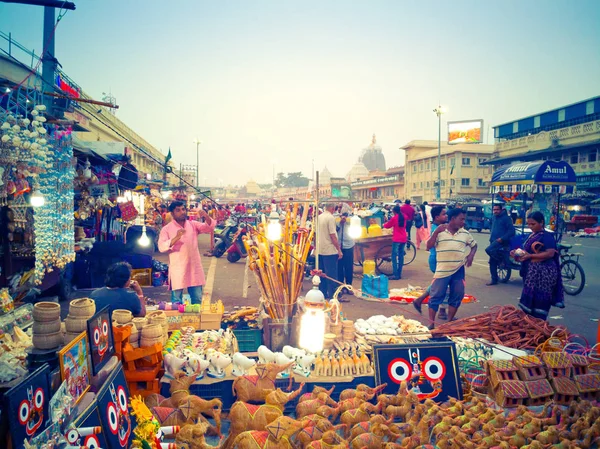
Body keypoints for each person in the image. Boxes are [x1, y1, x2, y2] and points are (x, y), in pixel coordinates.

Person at [414, 208, 477, 329]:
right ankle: (431, 323)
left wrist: (471, 255)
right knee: (435, 296)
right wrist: (436, 232)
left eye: (464, 219)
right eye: (461, 219)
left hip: (458, 270)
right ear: (453, 219)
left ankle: (448, 322)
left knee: (457, 295)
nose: (464, 222)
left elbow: (474, 245)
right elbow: (428, 246)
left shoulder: (465, 233)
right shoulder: (440, 231)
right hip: (442, 271)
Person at [158, 200, 215, 304]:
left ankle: (196, 319)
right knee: (176, 301)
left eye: (183, 209)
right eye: (178, 210)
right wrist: (176, 238)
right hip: (178, 268)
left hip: (194, 267)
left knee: (197, 299)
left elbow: (208, 228)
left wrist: (206, 216)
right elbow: (161, 247)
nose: (182, 212)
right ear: (172, 213)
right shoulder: (166, 229)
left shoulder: (193, 225)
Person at [512, 211, 564, 320]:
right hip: (531, 273)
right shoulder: (532, 235)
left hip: (544, 275)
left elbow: (550, 253)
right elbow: (526, 251)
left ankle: (539, 329)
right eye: (529, 224)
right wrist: (516, 253)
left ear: (541, 222)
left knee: (540, 304)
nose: (530, 227)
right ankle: (531, 328)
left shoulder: (547, 236)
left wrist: (530, 256)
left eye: (533, 224)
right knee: (529, 306)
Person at [412, 206, 450, 320]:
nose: (446, 216)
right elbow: (431, 245)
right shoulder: (438, 229)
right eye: (444, 214)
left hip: (438, 259)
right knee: (444, 285)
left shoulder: (440, 227)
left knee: (439, 283)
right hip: (438, 260)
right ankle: (442, 310)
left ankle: (419, 300)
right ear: (437, 217)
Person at [485, 204, 515, 286]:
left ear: (501, 210)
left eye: (497, 209)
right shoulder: (494, 217)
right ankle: (494, 280)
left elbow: (512, 231)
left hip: (502, 242)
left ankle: (499, 260)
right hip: (493, 241)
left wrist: (502, 238)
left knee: (488, 250)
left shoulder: (506, 218)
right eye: (494, 209)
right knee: (492, 262)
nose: (495, 211)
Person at [318, 203, 343, 299]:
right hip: (330, 251)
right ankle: (334, 296)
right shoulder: (330, 218)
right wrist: (339, 250)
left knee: (322, 274)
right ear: (332, 208)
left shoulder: (319, 217)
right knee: (331, 275)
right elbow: (333, 235)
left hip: (320, 250)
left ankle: (323, 294)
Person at [383, 205, 407, 280]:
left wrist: (383, 225)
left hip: (397, 239)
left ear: (394, 211)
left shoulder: (394, 218)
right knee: (400, 256)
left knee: (393, 256)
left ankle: (395, 274)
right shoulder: (404, 216)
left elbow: (387, 226)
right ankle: (399, 274)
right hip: (403, 238)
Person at [337, 203, 355, 301]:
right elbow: (335, 229)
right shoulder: (336, 218)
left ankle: (348, 286)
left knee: (348, 267)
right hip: (339, 246)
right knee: (339, 268)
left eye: (340, 207)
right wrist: (340, 222)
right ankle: (340, 287)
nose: (339, 209)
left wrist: (346, 221)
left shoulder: (352, 218)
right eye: (338, 207)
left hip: (349, 245)